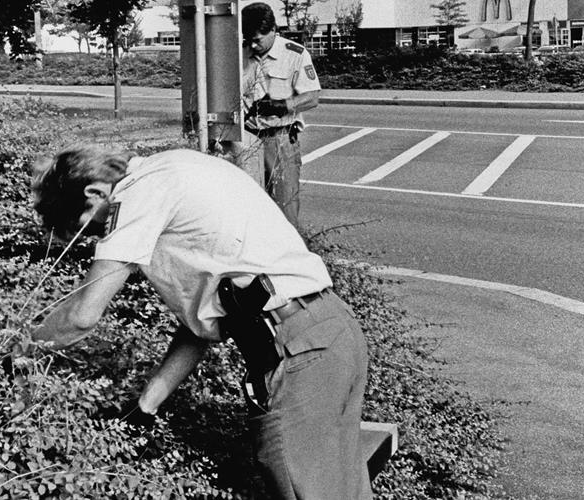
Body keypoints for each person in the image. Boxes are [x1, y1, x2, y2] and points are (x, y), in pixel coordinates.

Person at [30, 144, 368, 499]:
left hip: (299, 351)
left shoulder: (138, 192)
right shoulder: (177, 166)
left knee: (302, 488)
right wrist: (147, 405)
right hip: (327, 332)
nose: (100, 236)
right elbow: (204, 323)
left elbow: (82, 316)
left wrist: (20, 351)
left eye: (90, 226)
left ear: (96, 192)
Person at [241, 2, 321, 228]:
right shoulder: (239, 54)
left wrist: (282, 105)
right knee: (250, 210)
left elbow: (312, 96)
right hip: (247, 139)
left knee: (285, 212)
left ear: (273, 30)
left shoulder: (294, 55)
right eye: (249, 39)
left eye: (258, 39)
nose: (254, 45)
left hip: (279, 140)